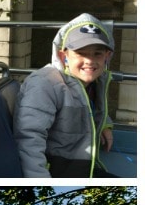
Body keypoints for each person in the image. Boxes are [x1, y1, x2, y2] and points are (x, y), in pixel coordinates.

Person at [13, 13, 115, 178]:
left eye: (97, 53)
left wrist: (104, 124)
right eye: (81, 53)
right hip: (58, 174)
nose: (89, 60)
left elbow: (88, 107)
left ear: (107, 57)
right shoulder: (44, 84)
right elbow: (28, 139)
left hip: (82, 168)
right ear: (63, 56)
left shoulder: (92, 82)